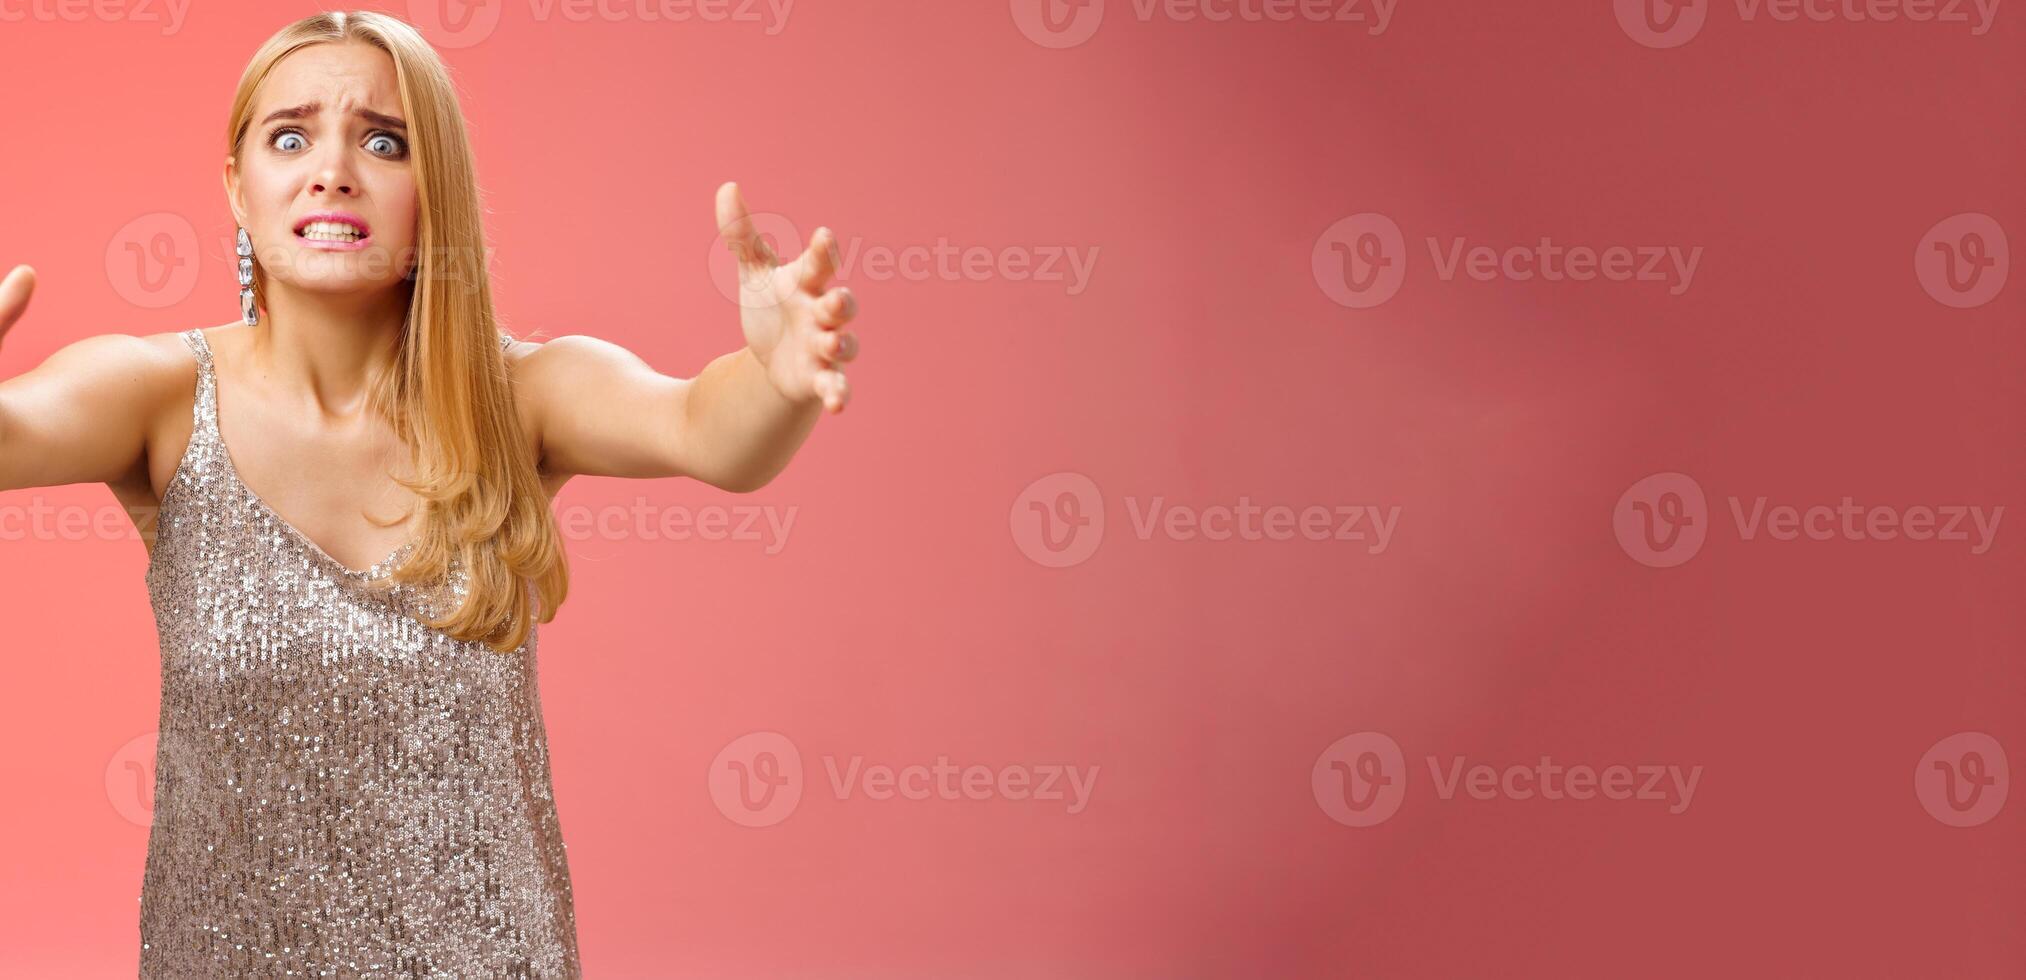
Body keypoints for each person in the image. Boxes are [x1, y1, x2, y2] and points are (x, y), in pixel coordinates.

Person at [0, 10, 861, 977]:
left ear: (432, 188)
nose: (333, 169)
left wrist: (778, 377)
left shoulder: (519, 396)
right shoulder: (155, 393)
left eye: (383, 140)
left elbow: (708, 429)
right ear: (238, 187)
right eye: (290, 136)